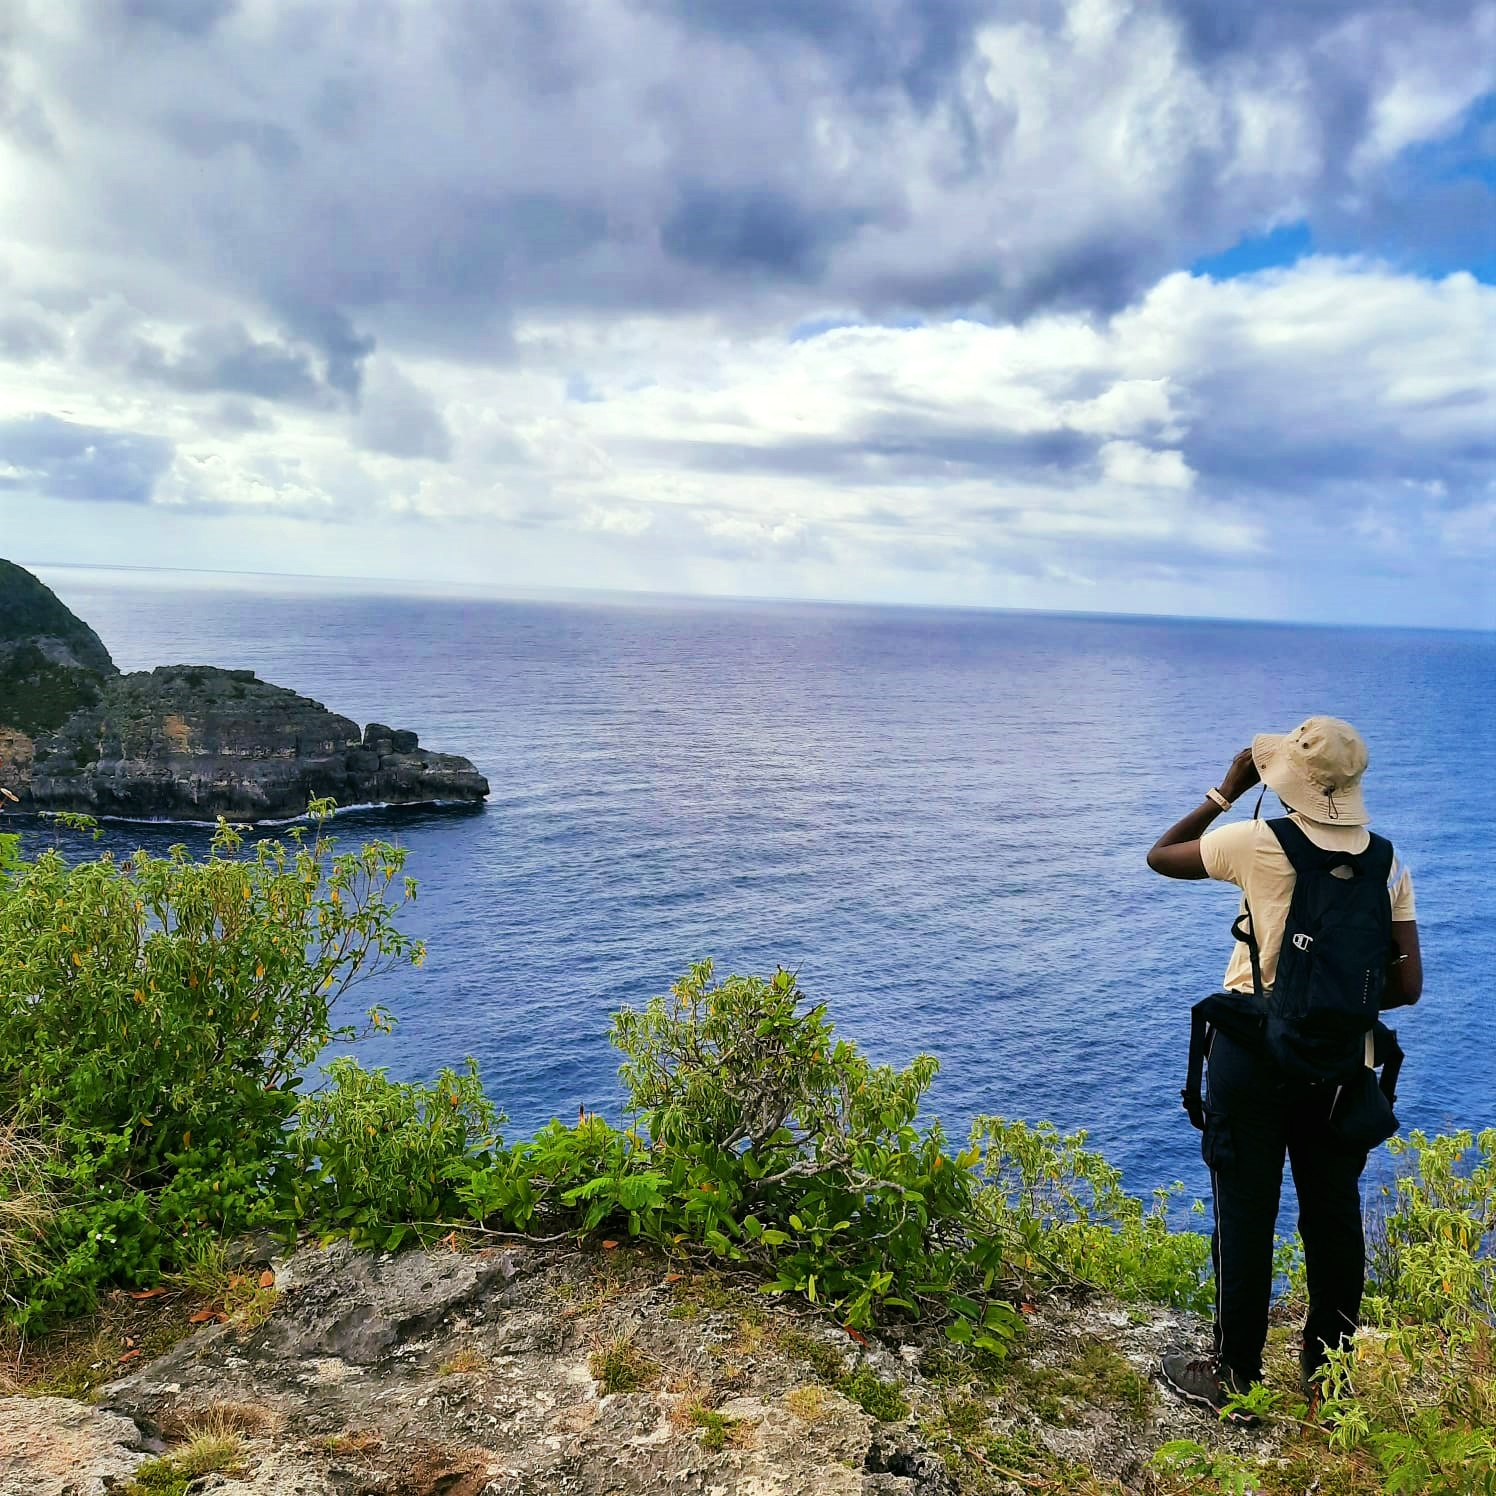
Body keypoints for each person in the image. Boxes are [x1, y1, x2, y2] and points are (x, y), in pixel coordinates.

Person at [1145, 716, 1422, 1418]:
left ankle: (1235, 1373)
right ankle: (1329, 1382)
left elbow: (1162, 854)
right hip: (1339, 1065)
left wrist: (1224, 791)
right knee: (1333, 1222)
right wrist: (1334, 999)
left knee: (1246, 1215)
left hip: (1251, 1058)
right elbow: (1408, 986)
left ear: (1285, 780)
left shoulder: (1256, 841)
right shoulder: (1386, 862)